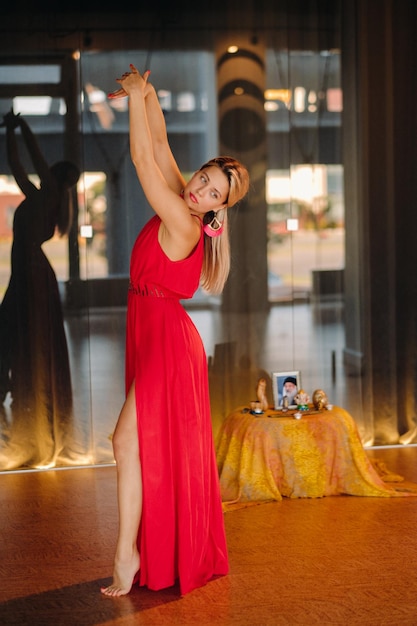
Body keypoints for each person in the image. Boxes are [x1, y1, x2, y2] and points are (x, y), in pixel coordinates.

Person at [100, 65, 249, 597]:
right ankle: (137, 551)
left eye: (212, 194)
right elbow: (159, 143)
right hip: (155, 327)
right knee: (136, 448)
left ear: (217, 213)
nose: (200, 189)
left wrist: (138, 96)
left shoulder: (183, 223)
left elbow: (141, 158)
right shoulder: (183, 197)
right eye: (204, 178)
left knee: (124, 441)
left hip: (166, 338)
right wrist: (149, 93)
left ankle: (126, 555)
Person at [0, 110, 80, 468]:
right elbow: (18, 160)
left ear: (56, 177)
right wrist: (11, 132)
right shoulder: (40, 198)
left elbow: (32, 157)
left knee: (16, 330)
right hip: (30, 273)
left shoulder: (46, 196)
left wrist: (22, 126)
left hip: (30, 274)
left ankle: (24, 390)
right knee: (14, 330)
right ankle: (20, 388)